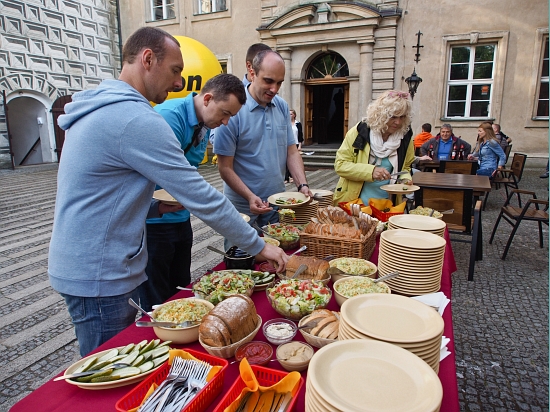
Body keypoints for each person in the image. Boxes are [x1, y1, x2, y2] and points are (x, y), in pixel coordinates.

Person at [48, 27, 288, 356]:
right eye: (175, 71)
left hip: (89, 265)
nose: (178, 83)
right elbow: (202, 197)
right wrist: (258, 246)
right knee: (108, 369)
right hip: (100, 273)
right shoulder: (135, 119)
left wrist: (152, 208)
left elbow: (101, 192)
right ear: (148, 59)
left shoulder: (109, 108)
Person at [138, 73, 246, 311]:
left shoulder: (205, 122)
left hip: (180, 216)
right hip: (154, 221)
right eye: (225, 113)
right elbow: (173, 177)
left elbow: (191, 171)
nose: (226, 122)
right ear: (207, 99)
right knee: (157, 298)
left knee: (181, 290)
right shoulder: (169, 117)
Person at [214, 50, 313, 243]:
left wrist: (302, 185)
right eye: (268, 81)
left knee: (275, 259)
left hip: (277, 202)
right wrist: (250, 196)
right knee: (241, 262)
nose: (274, 89)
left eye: (279, 83)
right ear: (252, 72)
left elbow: (291, 151)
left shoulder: (282, 106)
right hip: (242, 205)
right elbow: (224, 167)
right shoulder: (233, 109)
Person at [333, 90, 416, 205]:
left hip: (387, 205)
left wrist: (405, 179)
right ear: (381, 114)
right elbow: (340, 165)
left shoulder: (405, 138)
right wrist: (371, 171)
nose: (398, 122)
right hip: (354, 203)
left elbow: (405, 168)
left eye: (402, 117)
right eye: (393, 117)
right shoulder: (359, 132)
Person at [285, 109, 303, 183]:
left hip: (295, 143)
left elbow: (300, 135)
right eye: (288, 114)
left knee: (294, 160)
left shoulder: (298, 124)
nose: (290, 115)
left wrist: (299, 146)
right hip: (287, 144)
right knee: (286, 161)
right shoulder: (286, 123)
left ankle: (292, 176)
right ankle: (286, 178)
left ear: (294, 115)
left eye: (291, 114)